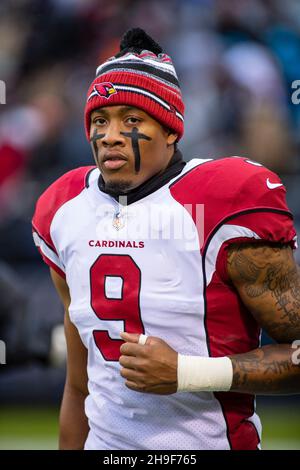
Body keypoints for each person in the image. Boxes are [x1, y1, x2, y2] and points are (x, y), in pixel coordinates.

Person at [32, 28, 300, 450]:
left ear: (171, 130)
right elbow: (80, 387)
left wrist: (188, 373)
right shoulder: (64, 210)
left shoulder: (223, 199)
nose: (110, 136)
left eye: (131, 120)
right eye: (100, 120)